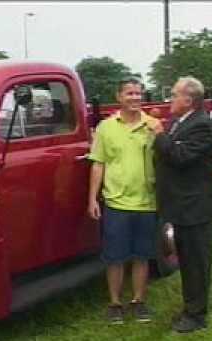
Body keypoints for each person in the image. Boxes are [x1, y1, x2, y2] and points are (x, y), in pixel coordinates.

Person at [146, 76, 212, 333]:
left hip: (196, 207)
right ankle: (191, 306)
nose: (170, 99)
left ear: (188, 100)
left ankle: (197, 316)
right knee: (187, 260)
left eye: (175, 95)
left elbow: (179, 156)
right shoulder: (178, 122)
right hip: (181, 206)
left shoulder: (201, 125)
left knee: (197, 262)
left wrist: (159, 136)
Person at [88, 78, 158, 324]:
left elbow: (167, 157)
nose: (135, 98)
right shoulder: (106, 128)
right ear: (119, 97)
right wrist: (92, 199)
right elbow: (98, 164)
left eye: (138, 94)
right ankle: (115, 303)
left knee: (142, 255)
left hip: (147, 202)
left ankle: (138, 301)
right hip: (116, 203)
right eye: (129, 93)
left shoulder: (153, 125)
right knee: (115, 257)